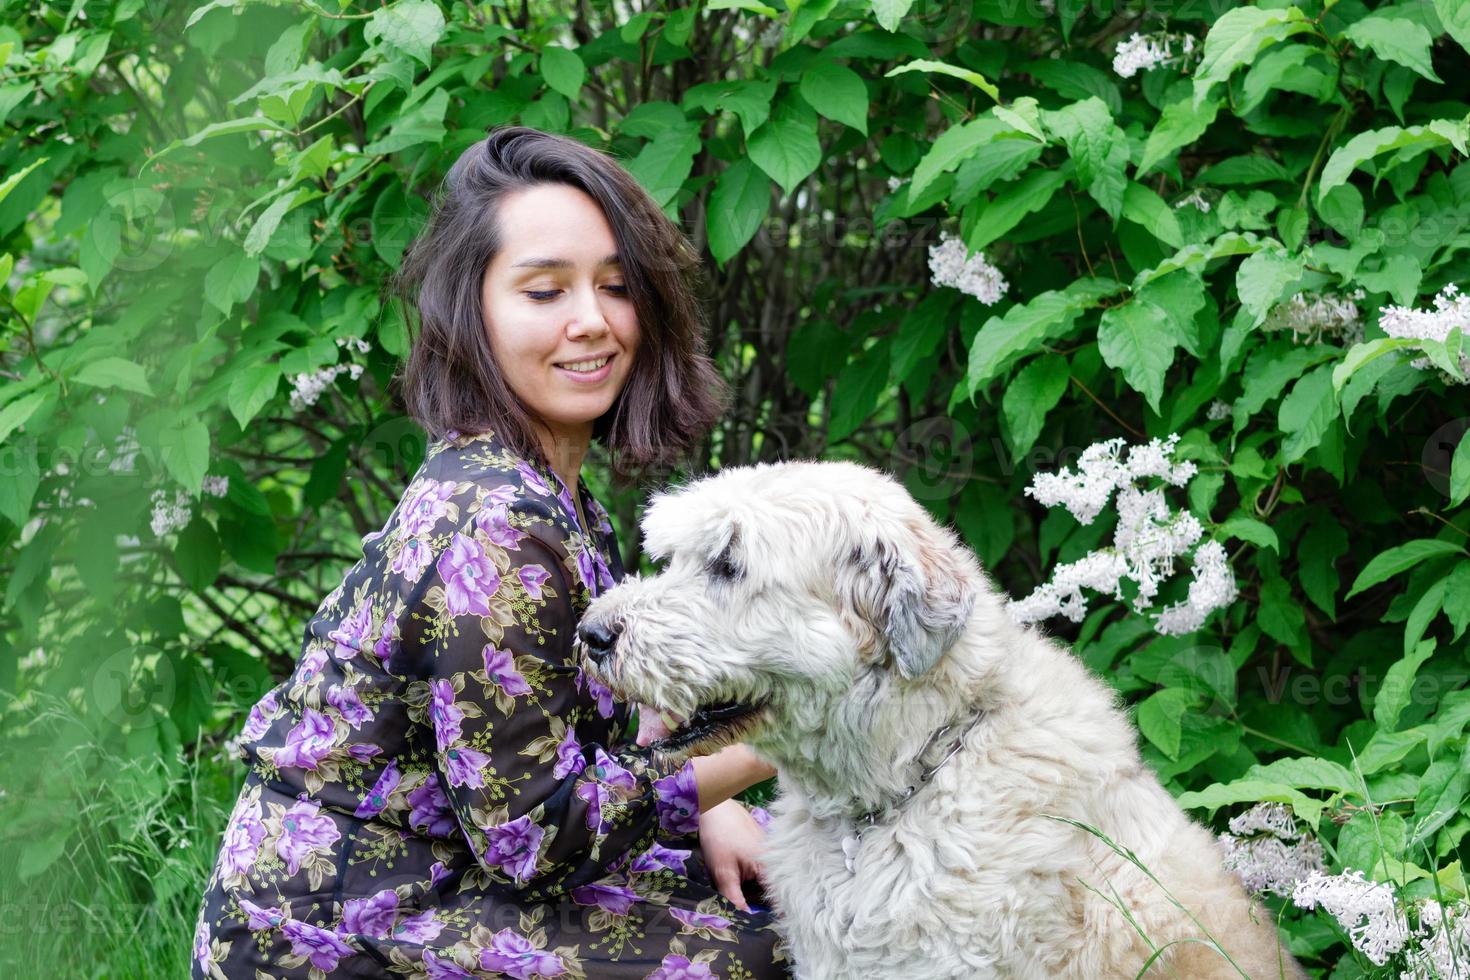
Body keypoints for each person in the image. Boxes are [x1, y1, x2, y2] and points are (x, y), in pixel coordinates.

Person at [191, 126, 791, 979]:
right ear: (471, 311)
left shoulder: (539, 480)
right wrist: (787, 728)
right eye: (545, 292)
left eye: (617, 286)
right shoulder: (493, 519)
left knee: (804, 876)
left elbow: (595, 722)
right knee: (773, 952)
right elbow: (539, 841)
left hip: (451, 870)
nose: (592, 321)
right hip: (342, 926)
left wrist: (711, 810)